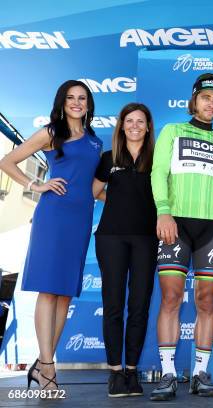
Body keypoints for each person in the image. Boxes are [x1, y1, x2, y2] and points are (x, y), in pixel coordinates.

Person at [0, 80, 102, 396]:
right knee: (48, 290)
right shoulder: (51, 133)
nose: (76, 102)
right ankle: (47, 366)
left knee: (65, 293)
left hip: (81, 219)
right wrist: (36, 184)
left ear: (88, 104)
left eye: (82, 98)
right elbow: (7, 161)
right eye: (71, 98)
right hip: (53, 216)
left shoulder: (96, 142)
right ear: (62, 102)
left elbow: (94, 188)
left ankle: (41, 364)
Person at [149, 73, 213, 401]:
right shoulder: (173, 131)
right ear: (194, 99)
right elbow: (159, 172)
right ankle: (168, 374)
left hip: (212, 227)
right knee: (171, 298)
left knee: (205, 300)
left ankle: (201, 372)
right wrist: (163, 210)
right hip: (176, 224)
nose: (211, 103)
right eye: (206, 97)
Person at [92, 103, 157, 397]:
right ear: (121, 125)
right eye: (129, 121)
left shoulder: (157, 158)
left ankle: (132, 371)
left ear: (147, 126)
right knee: (114, 305)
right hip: (111, 238)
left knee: (140, 306)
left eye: (140, 121)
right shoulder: (108, 158)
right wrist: (117, 202)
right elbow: (94, 192)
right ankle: (115, 373)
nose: (134, 125)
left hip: (146, 238)